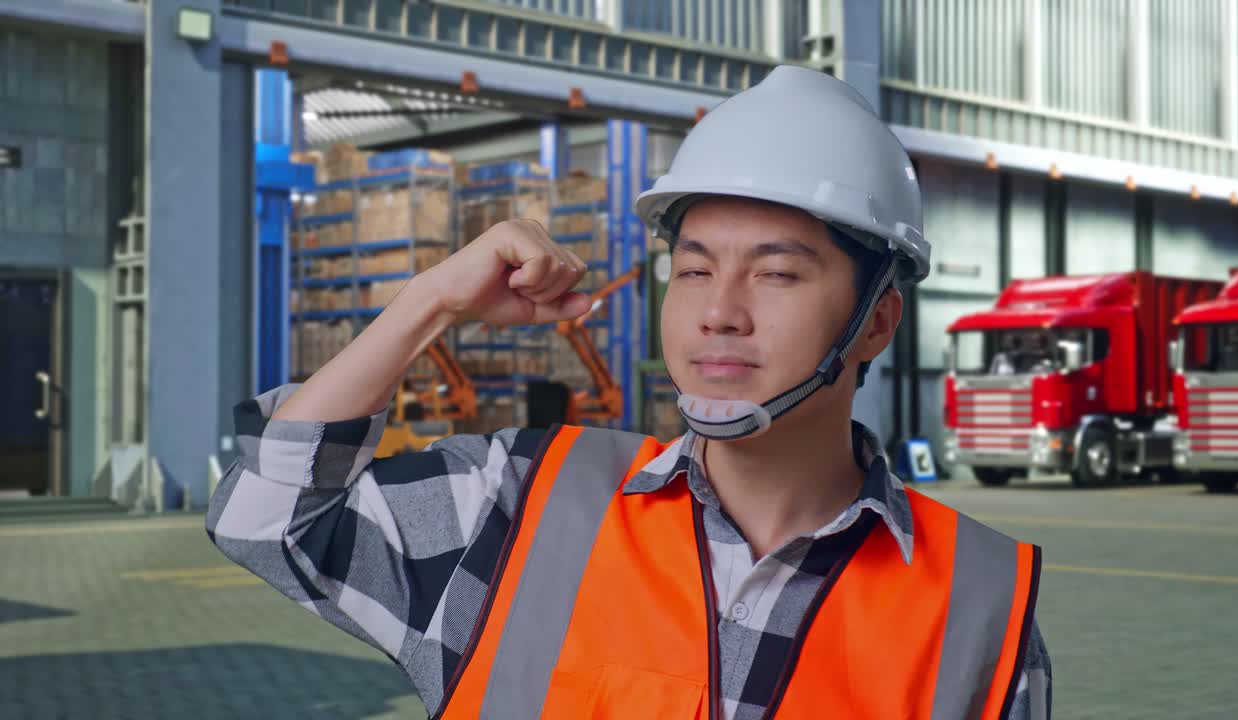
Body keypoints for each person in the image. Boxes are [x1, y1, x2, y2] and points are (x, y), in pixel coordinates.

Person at [208, 65, 1051, 719]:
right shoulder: (515, 506)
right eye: (693, 270)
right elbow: (264, 514)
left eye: (778, 274)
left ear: (877, 322)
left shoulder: (977, 606)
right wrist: (432, 301)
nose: (720, 313)